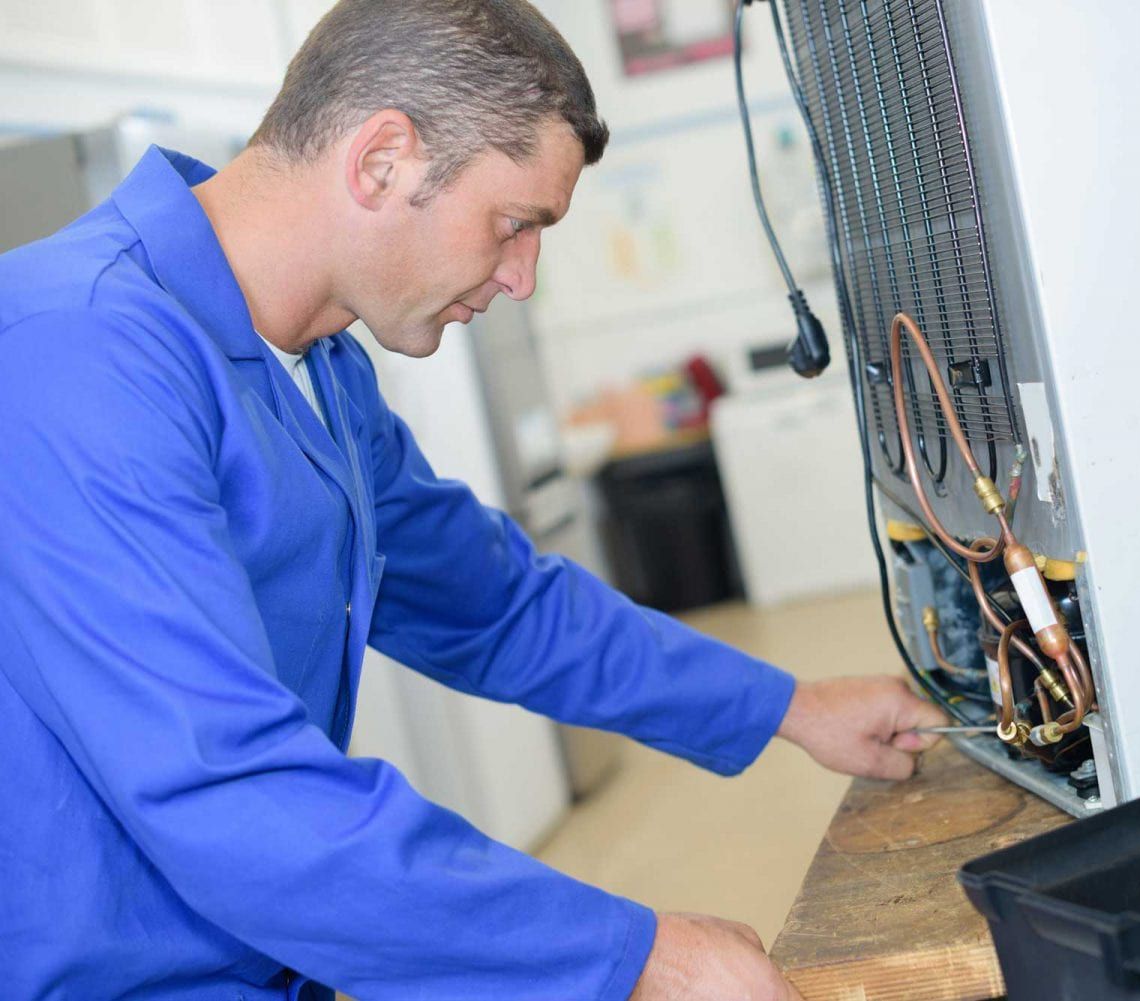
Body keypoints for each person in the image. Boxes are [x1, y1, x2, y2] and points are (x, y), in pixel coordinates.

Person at [0, 2, 949, 998]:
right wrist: (635, 954)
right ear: (381, 161)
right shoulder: (75, 354)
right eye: (513, 224)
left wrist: (790, 706)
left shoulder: (320, 367)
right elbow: (233, 794)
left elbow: (494, 602)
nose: (523, 278)